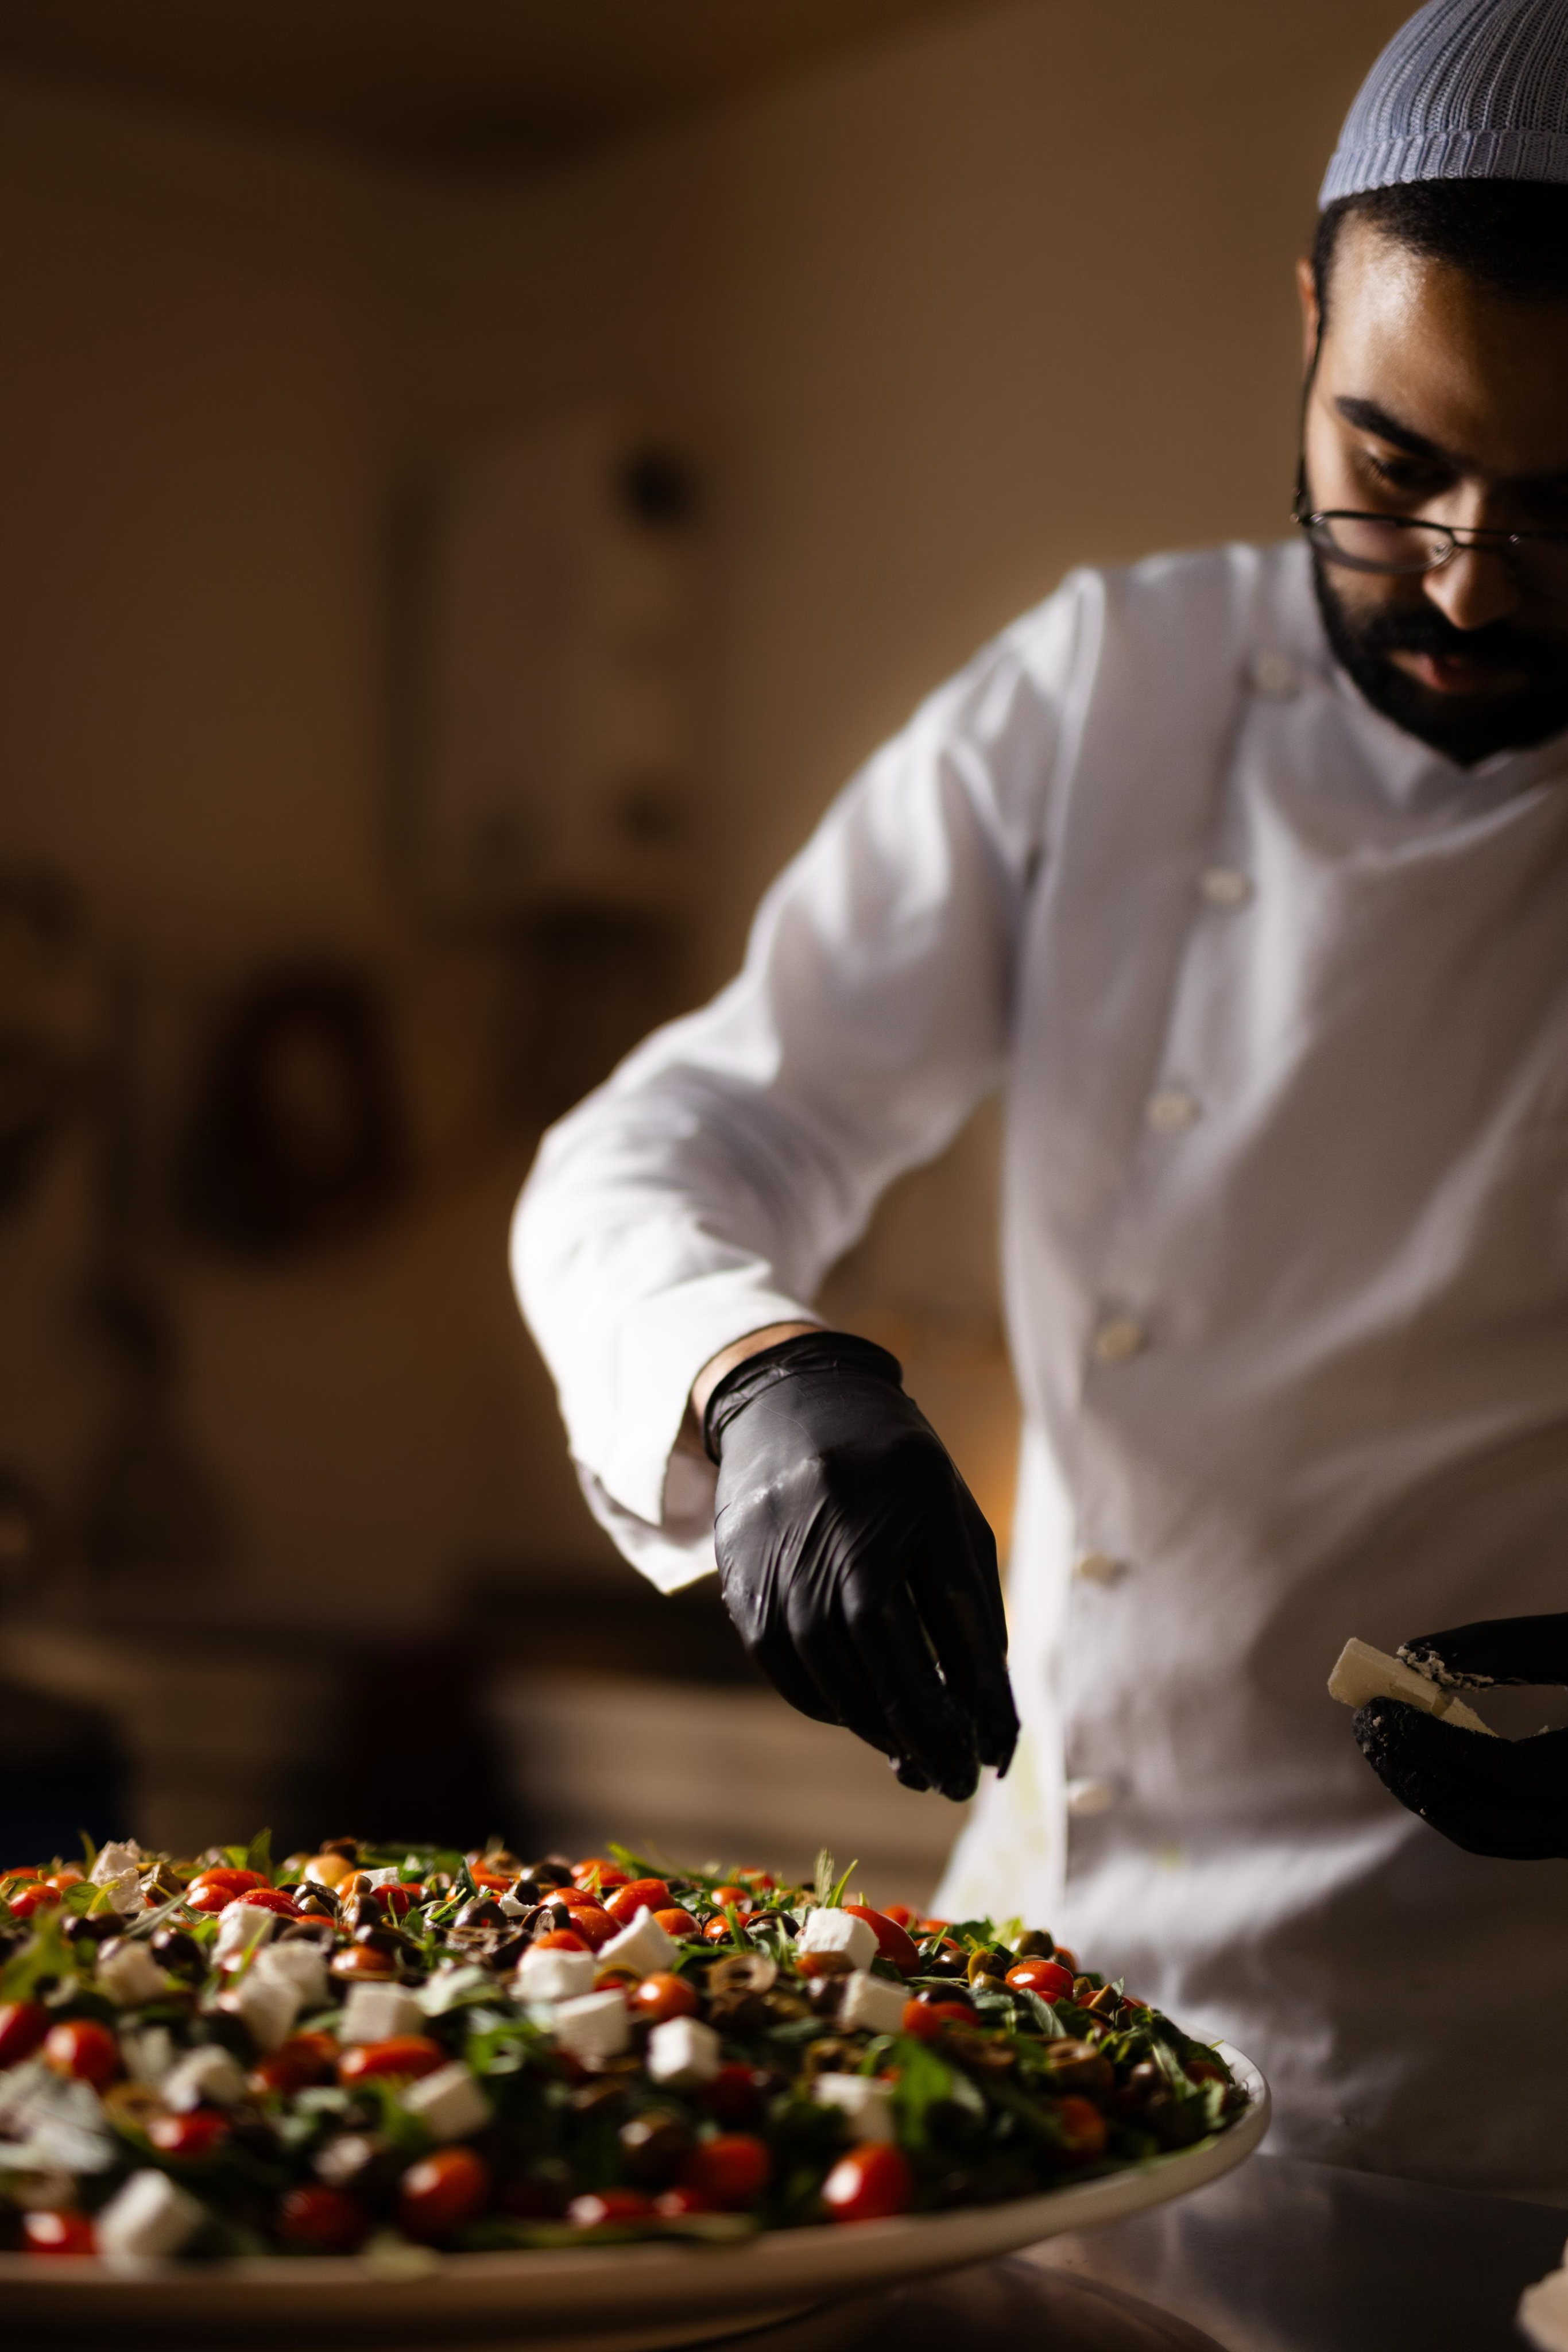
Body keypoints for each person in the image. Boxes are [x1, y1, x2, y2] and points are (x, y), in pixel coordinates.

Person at [513, 0, 1568, 2192]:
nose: (1467, 579)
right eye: (1394, 470)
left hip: (1516, 2103)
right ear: (1304, 332)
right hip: (1059, 2010)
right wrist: (756, 1369)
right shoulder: (1113, 696)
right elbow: (667, 1142)